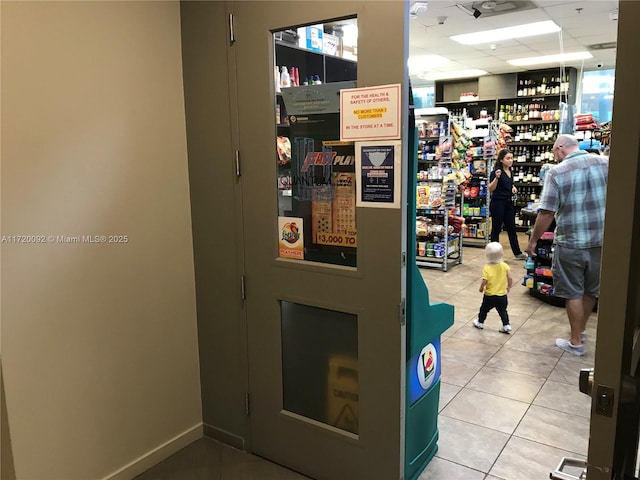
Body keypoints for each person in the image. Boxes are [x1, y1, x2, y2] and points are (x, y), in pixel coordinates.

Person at [525, 134, 608, 356]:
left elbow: (547, 212)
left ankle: (575, 343)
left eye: (554, 152)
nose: (555, 156)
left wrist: (533, 240)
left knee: (573, 291)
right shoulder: (604, 162)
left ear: (560, 148)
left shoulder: (557, 172)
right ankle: (579, 331)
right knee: (591, 290)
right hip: (602, 241)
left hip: (572, 241)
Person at [489, 148, 527, 260]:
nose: (511, 160)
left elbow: (508, 184)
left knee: (512, 228)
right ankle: (494, 255)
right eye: (508, 158)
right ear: (501, 160)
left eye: (511, 158)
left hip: (508, 203)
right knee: (496, 229)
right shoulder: (496, 172)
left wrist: (512, 187)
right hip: (497, 203)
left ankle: (517, 253)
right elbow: (491, 189)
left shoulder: (511, 172)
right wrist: (496, 178)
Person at [472, 242, 513, 333]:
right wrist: (509, 286)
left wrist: (481, 287)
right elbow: (510, 277)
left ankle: (480, 322)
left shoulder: (487, 267)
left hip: (489, 295)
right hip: (502, 295)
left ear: (487, 255)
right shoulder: (505, 266)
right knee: (503, 311)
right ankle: (506, 325)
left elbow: (485, 280)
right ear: (502, 254)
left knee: (484, 309)